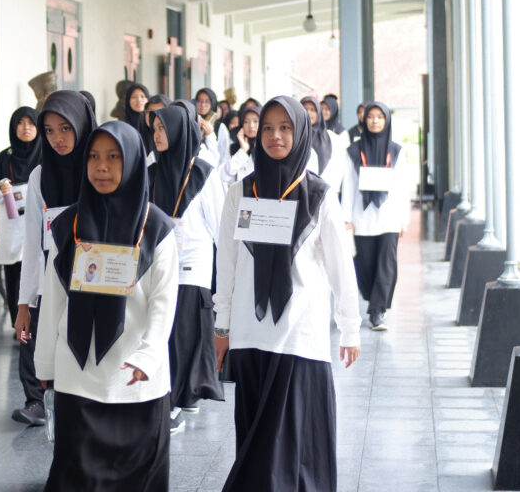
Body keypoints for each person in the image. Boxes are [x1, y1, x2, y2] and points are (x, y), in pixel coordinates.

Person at [213, 96, 361, 492]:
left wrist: (350, 327)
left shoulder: (318, 196)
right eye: (267, 128)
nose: (275, 136)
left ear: (301, 133)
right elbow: (226, 265)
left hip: (301, 336)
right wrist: (222, 325)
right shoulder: (240, 192)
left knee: (293, 447)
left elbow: (340, 268)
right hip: (249, 333)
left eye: (285, 128)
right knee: (256, 440)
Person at [35, 121, 178, 491]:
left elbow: (163, 304)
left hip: (135, 378)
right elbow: (52, 298)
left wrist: (148, 356)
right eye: (94, 157)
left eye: (114, 157)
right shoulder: (68, 226)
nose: (102, 167)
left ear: (131, 162)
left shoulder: (156, 228)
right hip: (77, 374)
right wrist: (45, 363)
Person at [13, 91, 96, 426]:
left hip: (97, 287)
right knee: (58, 371)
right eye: (48, 130)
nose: (57, 138)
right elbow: (33, 242)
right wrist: (24, 304)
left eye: (65, 128)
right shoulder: (39, 177)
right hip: (54, 287)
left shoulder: (101, 170)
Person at [149, 106, 224, 433]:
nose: (157, 136)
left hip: (193, 263)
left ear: (179, 130)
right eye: (153, 130)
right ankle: (179, 394)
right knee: (165, 331)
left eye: (163, 129)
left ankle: (177, 401)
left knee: (184, 332)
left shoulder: (205, 173)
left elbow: (220, 224)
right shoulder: (151, 171)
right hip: (159, 262)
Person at [341, 101, 410, 331]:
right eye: (371, 116)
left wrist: (404, 218)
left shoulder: (396, 151)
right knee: (365, 264)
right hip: (362, 217)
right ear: (364, 120)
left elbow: (403, 186)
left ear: (387, 120)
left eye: (380, 117)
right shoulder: (352, 151)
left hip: (389, 217)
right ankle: (373, 300)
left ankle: (377, 310)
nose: (375, 121)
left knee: (387, 263)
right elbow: (348, 185)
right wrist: (346, 216)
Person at [0, 107, 41, 331]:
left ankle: (37, 324)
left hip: (38, 230)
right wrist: (1, 188)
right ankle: (18, 326)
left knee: (38, 278)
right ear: (13, 127)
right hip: (12, 230)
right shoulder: (3, 158)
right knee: (14, 280)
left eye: (31, 123)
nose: (26, 128)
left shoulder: (47, 155)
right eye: (20, 123)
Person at [301, 96, 343, 192]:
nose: (308, 113)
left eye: (313, 110)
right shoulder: (292, 136)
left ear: (318, 113)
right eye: (305, 109)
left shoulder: (332, 138)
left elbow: (338, 167)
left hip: (326, 192)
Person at [221, 104, 261, 184]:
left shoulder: (267, 148)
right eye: (246, 122)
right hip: (237, 194)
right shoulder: (233, 148)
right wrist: (242, 151)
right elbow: (223, 176)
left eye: (256, 121)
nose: (251, 126)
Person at [193, 88, 224, 164]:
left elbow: (223, 156)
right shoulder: (191, 121)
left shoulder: (220, 127)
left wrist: (210, 134)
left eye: (207, 102)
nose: (203, 105)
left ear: (213, 103)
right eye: (199, 101)